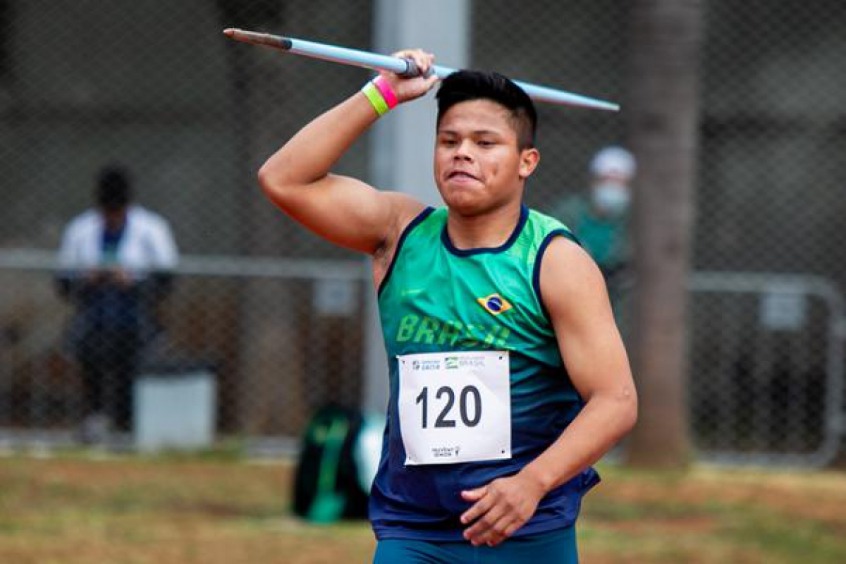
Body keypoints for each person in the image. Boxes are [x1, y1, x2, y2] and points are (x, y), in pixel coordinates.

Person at [257, 51, 637, 563]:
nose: (463, 154)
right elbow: (284, 179)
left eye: (485, 143)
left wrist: (530, 484)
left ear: (527, 162)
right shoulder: (398, 233)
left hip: (525, 529)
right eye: (449, 141)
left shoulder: (555, 261)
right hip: (413, 530)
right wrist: (382, 94)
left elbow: (615, 401)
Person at [56, 165, 179, 442]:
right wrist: (88, 278)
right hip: (93, 311)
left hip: (135, 313)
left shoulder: (151, 228)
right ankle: (96, 417)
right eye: (107, 212)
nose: (112, 218)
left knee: (131, 362)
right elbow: (63, 282)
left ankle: (127, 421)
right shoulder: (81, 229)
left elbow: (166, 280)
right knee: (91, 354)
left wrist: (132, 280)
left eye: (117, 212)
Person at [553, 145, 637, 288]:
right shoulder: (570, 211)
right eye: (606, 180)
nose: (612, 187)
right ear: (593, 180)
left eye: (619, 182)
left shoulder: (633, 219)